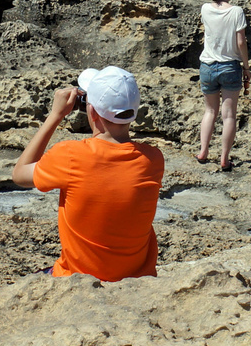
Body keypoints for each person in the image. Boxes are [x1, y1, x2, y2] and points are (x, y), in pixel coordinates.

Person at [12, 67, 164, 281]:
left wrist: (55, 116)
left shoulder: (70, 155)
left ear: (91, 111)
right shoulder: (153, 159)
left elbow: (19, 174)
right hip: (135, 279)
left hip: (78, 279)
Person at [197, 0, 250, 171]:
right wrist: (246, 67)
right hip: (230, 66)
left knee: (210, 111)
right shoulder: (236, 12)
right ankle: (224, 159)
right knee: (229, 115)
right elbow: (240, 42)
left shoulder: (205, 9)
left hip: (207, 66)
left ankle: (203, 152)